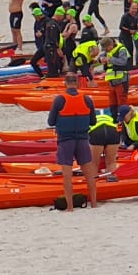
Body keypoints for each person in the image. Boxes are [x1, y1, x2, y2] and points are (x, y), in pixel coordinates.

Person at [44, 71, 99, 211]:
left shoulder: (59, 100)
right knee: (89, 173)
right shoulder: (87, 99)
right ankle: (94, 203)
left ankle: (70, 207)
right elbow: (93, 121)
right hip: (82, 139)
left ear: (65, 83)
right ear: (78, 83)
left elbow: (50, 121)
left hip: (65, 140)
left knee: (67, 175)